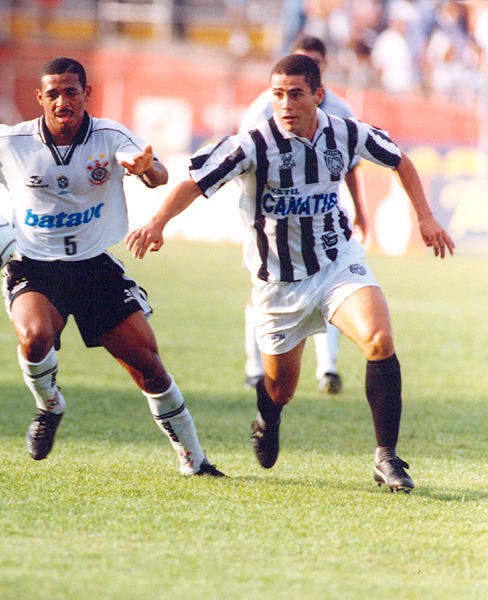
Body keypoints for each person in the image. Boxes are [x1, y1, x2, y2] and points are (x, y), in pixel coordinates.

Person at [126, 54, 454, 492]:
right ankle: (269, 415)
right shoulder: (252, 145)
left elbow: (401, 160)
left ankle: (387, 457)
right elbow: (194, 182)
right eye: (277, 94)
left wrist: (426, 217)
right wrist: (156, 222)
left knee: (379, 339)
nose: (285, 104)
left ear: (319, 96)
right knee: (281, 388)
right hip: (278, 284)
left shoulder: (346, 132)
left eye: (295, 94)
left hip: (338, 263)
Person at [0, 57, 224, 477]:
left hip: (95, 268)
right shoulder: (12, 142)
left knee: (150, 369)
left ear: (87, 94)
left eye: (72, 92)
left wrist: (146, 170)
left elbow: (155, 172)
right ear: (40, 97)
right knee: (34, 336)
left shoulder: (111, 136)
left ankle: (194, 460)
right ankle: (49, 406)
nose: (63, 100)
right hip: (35, 268)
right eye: (54, 93)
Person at [238, 35, 369, 395]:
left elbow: (352, 164)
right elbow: (240, 161)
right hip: (272, 223)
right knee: (264, 290)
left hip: (321, 217)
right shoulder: (262, 109)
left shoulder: (340, 109)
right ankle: (255, 368)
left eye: (313, 61)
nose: (289, 101)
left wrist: (360, 209)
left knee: (334, 285)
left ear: (322, 70)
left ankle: (327, 369)